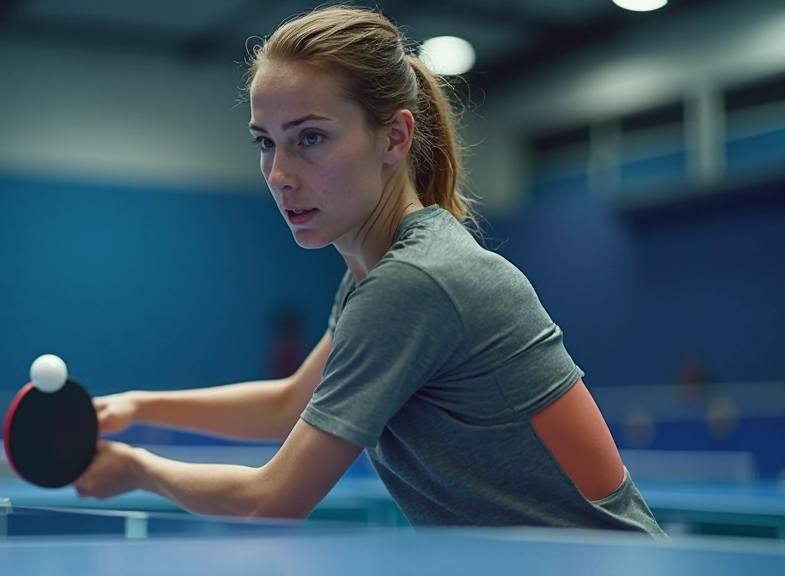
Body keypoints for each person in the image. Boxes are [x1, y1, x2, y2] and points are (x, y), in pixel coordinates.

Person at [74, 5, 668, 539]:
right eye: (265, 143)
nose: (279, 174)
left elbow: (269, 502)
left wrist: (137, 469)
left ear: (394, 138)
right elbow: (290, 403)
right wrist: (139, 406)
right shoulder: (377, 272)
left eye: (310, 138)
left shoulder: (414, 282)